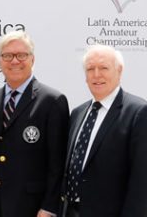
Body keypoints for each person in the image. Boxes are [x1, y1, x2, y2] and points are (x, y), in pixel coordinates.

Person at [0, 30, 69, 217]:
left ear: (32, 59)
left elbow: (58, 163)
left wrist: (49, 207)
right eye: (7, 55)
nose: (15, 61)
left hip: (34, 208)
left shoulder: (52, 101)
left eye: (21, 55)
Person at [59, 45, 147, 217]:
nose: (96, 75)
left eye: (104, 68)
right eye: (90, 69)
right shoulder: (77, 113)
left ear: (119, 71)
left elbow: (142, 182)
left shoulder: (138, 112)